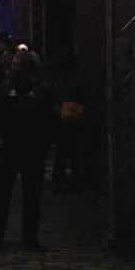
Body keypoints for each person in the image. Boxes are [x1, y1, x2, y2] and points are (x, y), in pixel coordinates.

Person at [0, 52, 53, 251]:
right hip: (10, 147)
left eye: (17, 65)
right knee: (1, 193)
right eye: (13, 64)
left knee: (31, 194)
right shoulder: (6, 88)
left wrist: (43, 144)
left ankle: (29, 235)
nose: (13, 68)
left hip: (32, 150)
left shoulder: (40, 90)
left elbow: (48, 120)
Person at [49, 47, 83, 191]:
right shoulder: (74, 77)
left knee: (62, 151)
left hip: (59, 115)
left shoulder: (55, 78)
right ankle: (75, 180)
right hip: (73, 115)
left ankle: (59, 179)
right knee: (73, 150)